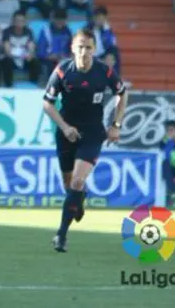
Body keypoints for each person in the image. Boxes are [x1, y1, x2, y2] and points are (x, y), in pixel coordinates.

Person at [42, 29, 128, 253]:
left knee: (77, 182)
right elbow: (47, 104)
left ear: (94, 49)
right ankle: (77, 201)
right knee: (69, 185)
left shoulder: (105, 72)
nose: (84, 51)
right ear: (72, 47)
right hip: (66, 133)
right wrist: (64, 127)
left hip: (91, 133)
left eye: (89, 47)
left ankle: (61, 235)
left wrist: (116, 125)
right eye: (80, 46)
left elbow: (122, 93)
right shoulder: (62, 71)